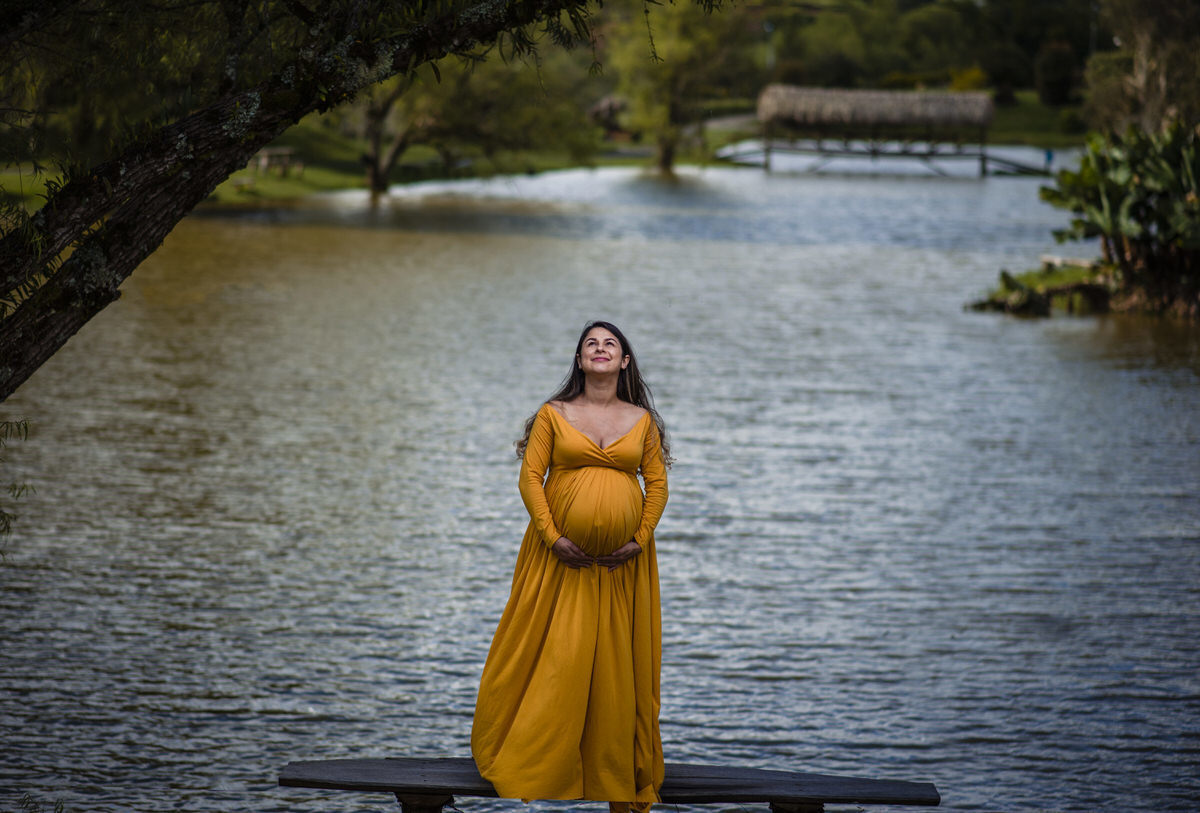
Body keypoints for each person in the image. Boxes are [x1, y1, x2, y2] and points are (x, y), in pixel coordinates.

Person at [472, 321, 671, 812]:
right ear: (580, 359)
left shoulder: (641, 420)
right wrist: (554, 537)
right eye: (591, 343)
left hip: (621, 567)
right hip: (557, 560)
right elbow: (530, 479)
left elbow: (658, 485)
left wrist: (638, 539)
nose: (600, 349)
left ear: (624, 361)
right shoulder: (553, 414)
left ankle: (609, 767)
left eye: (610, 344)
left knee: (615, 670)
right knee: (553, 660)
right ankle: (532, 760)